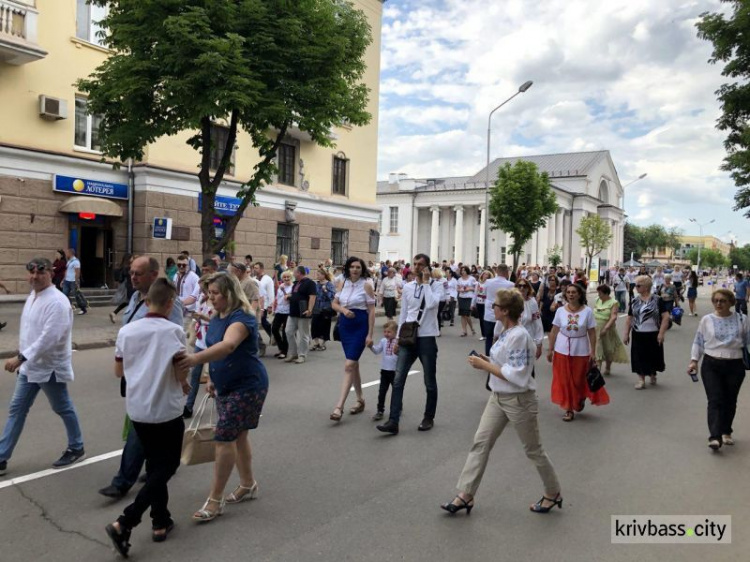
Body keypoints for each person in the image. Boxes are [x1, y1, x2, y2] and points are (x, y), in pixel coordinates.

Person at [441, 289, 562, 516]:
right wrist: (488, 359)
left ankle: (553, 492)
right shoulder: (504, 331)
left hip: (519, 400)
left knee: (533, 450)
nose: (492, 307)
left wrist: (483, 365)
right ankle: (465, 495)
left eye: (495, 305)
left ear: (505, 310)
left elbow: (517, 375)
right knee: (480, 443)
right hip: (498, 397)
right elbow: (504, 361)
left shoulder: (519, 335)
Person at [104, 279, 188, 556]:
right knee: (169, 465)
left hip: (138, 410)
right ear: (169, 303)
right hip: (166, 409)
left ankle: (160, 522)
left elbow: (119, 372)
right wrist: (186, 386)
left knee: (155, 466)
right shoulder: (174, 331)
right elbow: (180, 372)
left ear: (147, 300)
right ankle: (126, 520)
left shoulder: (127, 331)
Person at [177, 272, 269, 522]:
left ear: (229, 292)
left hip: (247, 386)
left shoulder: (242, 318)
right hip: (226, 385)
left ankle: (215, 500)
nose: (210, 297)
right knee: (238, 435)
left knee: (224, 436)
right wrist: (214, 378)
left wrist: (195, 360)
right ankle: (248, 484)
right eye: (209, 293)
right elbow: (215, 349)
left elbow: (228, 346)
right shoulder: (217, 317)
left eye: (215, 293)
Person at [98, 256, 184, 499]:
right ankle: (160, 465)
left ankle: (124, 480)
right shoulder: (135, 298)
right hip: (136, 375)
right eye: (131, 272)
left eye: (138, 273)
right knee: (142, 426)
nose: (133, 276)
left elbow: (172, 342)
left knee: (140, 426)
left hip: (153, 378)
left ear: (154, 275)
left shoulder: (170, 304)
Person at [0, 258, 85, 476]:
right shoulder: (33, 296)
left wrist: (21, 357)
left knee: (62, 406)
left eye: (40, 272)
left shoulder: (57, 301)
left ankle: (76, 446)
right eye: (31, 272)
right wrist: (23, 356)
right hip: (30, 367)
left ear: (51, 273)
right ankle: (1, 457)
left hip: (49, 368)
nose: (35, 277)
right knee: (16, 410)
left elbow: (50, 338)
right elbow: (30, 332)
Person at [377, 254, 440, 435]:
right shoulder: (408, 287)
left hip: (427, 337)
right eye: (415, 264)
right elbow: (404, 314)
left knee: (429, 380)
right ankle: (393, 421)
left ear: (428, 267)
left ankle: (428, 417)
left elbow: (431, 305)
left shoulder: (437, 286)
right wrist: (396, 339)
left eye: (421, 264)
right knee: (397, 380)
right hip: (407, 337)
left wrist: (426, 283)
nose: (417, 267)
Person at [688, 289, 748, 450]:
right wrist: (694, 361)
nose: (719, 304)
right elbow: (698, 341)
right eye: (716, 301)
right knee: (715, 399)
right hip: (711, 364)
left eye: (723, 301)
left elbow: (748, 342)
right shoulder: (707, 320)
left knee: (730, 400)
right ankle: (715, 436)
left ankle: (726, 431)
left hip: (735, 365)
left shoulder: (742, 319)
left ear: (731, 302)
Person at [547, 282, 609, 421]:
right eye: (568, 292)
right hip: (562, 349)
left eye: (574, 292)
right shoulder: (560, 311)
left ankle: (579, 397)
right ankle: (569, 408)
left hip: (580, 349)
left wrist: (593, 351)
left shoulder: (587, 311)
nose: (571, 295)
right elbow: (554, 330)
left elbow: (592, 333)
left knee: (578, 379)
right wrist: (550, 349)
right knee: (564, 380)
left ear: (579, 294)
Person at [330, 257, 376, 420]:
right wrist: (343, 310)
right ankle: (360, 399)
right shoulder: (342, 283)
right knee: (353, 364)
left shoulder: (367, 285)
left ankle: (339, 406)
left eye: (358, 267)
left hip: (360, 324)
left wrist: (370, 334)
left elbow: (371, 310)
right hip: (345, 326)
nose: (355, 269)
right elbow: (334, 304)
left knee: (349, 364)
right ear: (348, 269)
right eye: (352, 267)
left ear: (361, 269)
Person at [624, 275, 670, 389]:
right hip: (638, 333)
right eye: (635, 285)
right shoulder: (634, 300)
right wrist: (626, 333)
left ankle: (652, 373)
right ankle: (641, 379)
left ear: (646, 287)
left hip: (653, 333)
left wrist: (661, 333)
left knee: (652, 356)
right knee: (639, 356)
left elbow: (665, 316)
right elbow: (629, 318)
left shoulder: (657, 299)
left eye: (638, 285)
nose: (636, 287)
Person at [183, 276, 213, 418]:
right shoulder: (202, 300)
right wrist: (196, 318)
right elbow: (198, 317)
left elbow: (220, 321)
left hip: (213, 343)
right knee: (195, 375)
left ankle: (221, 408)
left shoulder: (216, 301)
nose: (201, 291)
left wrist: (204, 318)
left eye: (203, 289)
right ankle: (188, 407)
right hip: (201, 342)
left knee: (214, 377)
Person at [479, 265, 515, 355]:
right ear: (506, 272)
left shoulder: (488, 282)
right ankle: (499, 357)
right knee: (502, 337)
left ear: (497, 271)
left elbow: (483, 293)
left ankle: (488, 357)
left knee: (489, 337)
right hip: (503, 314)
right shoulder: (510, 284)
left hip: (489, 313)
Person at [593, 285, 628, 376]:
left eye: (600, 293)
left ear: (606, 293)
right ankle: (597, 369)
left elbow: (613, 317)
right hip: (596, 328)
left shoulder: (613, 302)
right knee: (597, 348)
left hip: (607, 329)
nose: (599, 295)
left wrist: (606, 328)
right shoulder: (597, 300)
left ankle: (608, 367)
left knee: (608, 349)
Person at [285, 266, 317, 364]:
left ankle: (302, 355)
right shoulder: (296, 283)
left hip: (303, 312)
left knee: (303, 335)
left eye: (294, 272)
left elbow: (312, 297)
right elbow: (297, 295)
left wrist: (309, 309)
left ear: (299, 273)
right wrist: (289, 296)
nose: (293, 274)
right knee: (288, 331)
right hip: (293, 312)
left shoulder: (310, 283)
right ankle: (293, 353)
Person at [368, 320, 399, 421]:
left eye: (389, 332)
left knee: (396, 392)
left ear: (395, 332)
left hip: (395, 372)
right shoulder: (383, 341)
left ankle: (397, 407)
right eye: (385, 331)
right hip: (384, 371)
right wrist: (371, 346)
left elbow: (402, 356)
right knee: (382, 392)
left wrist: (398, 351)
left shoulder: (398, 342)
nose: (386, 334)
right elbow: (377, 351)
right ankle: (380, 410)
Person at [311, 268, 336, 351]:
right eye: (317, 274)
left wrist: (325, 290)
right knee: (314, 325)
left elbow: (332, 297)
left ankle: (323, 343)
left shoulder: (329, 284)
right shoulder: (316, 284)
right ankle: (316, 343)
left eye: (319, 274)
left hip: (325, 308)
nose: (317, 276)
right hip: (316, 307)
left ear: (323, 275)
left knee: (324, 326)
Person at [272, 271, 293, 359]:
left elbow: (292, 298)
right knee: (274, 329)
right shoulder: (281, 287)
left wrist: (288, 295)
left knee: (285, 331)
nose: (286, 279)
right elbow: (277, 298)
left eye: (288, 277)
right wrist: (274, 308)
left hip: (288, 311)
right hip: (279, 310)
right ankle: (281, 347)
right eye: (284, 277)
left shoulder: (293, 287)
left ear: (291, 278)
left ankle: (284, 351)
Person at [254, 262, 275, 344]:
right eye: (254, 268)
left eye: (256, 268)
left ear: (262, 269)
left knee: (263, 321)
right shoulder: (254, 278)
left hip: (265, 304)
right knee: (261, 322)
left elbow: (271, 293)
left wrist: (270, 305)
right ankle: (272, 336)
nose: (255, 269)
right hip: (256, 304)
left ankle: (272, 335)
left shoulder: (267, 279)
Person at [110, 253, 134, 323]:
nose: (133, 259)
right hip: (130, 287)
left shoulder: (122, 267)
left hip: (126, 287)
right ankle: (130, 317)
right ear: (129, 259)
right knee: (131, 302)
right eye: (132, 257)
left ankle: (114, 313)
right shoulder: (129, 267)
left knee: (128, 302)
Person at [62, 248, 87, 315]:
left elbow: (77, 272)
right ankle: (70, 306)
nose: (66, 254)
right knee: (65, 294)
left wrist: (76, 281)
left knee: (76, 295)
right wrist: (63, 279)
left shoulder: (76, 261)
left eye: (67, 253)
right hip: (67, 280)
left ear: (71, 253)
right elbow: (66, 271)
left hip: (73, 280)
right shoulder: (69, 261)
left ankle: (83, 308)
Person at [471, 270, 492, 341]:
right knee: (481, 319)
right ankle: (483, 334)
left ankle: (488, 333)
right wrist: (472, 304)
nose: (486, 276)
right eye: (484, 274)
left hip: (486, 303)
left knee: (486, 319)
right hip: (479, 302)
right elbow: (475, 294)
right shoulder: (478, 283)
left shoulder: (489, 284)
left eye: (487, 275)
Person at [457, 266, 478, 337]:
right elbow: (458, 288)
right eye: (462, 270)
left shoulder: (472, 279)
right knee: (462, 314)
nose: (463, 272)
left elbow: (476, 288)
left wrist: (469, 289)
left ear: (467, 271)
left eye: (464, 270)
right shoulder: (459, 279)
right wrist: (461, 289)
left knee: (467, 314)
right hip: (461, 297)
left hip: (469, 297)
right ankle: (464, 331)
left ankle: (472, 328)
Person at [432, 268, 447, 332]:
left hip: (442, 299)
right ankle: (435, 328)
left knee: (438, 313)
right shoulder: (433, 280)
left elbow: (447, 289)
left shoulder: (444, 280)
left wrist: (447, 298)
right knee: (434, 313)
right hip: (435, 298)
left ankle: (438, 328)